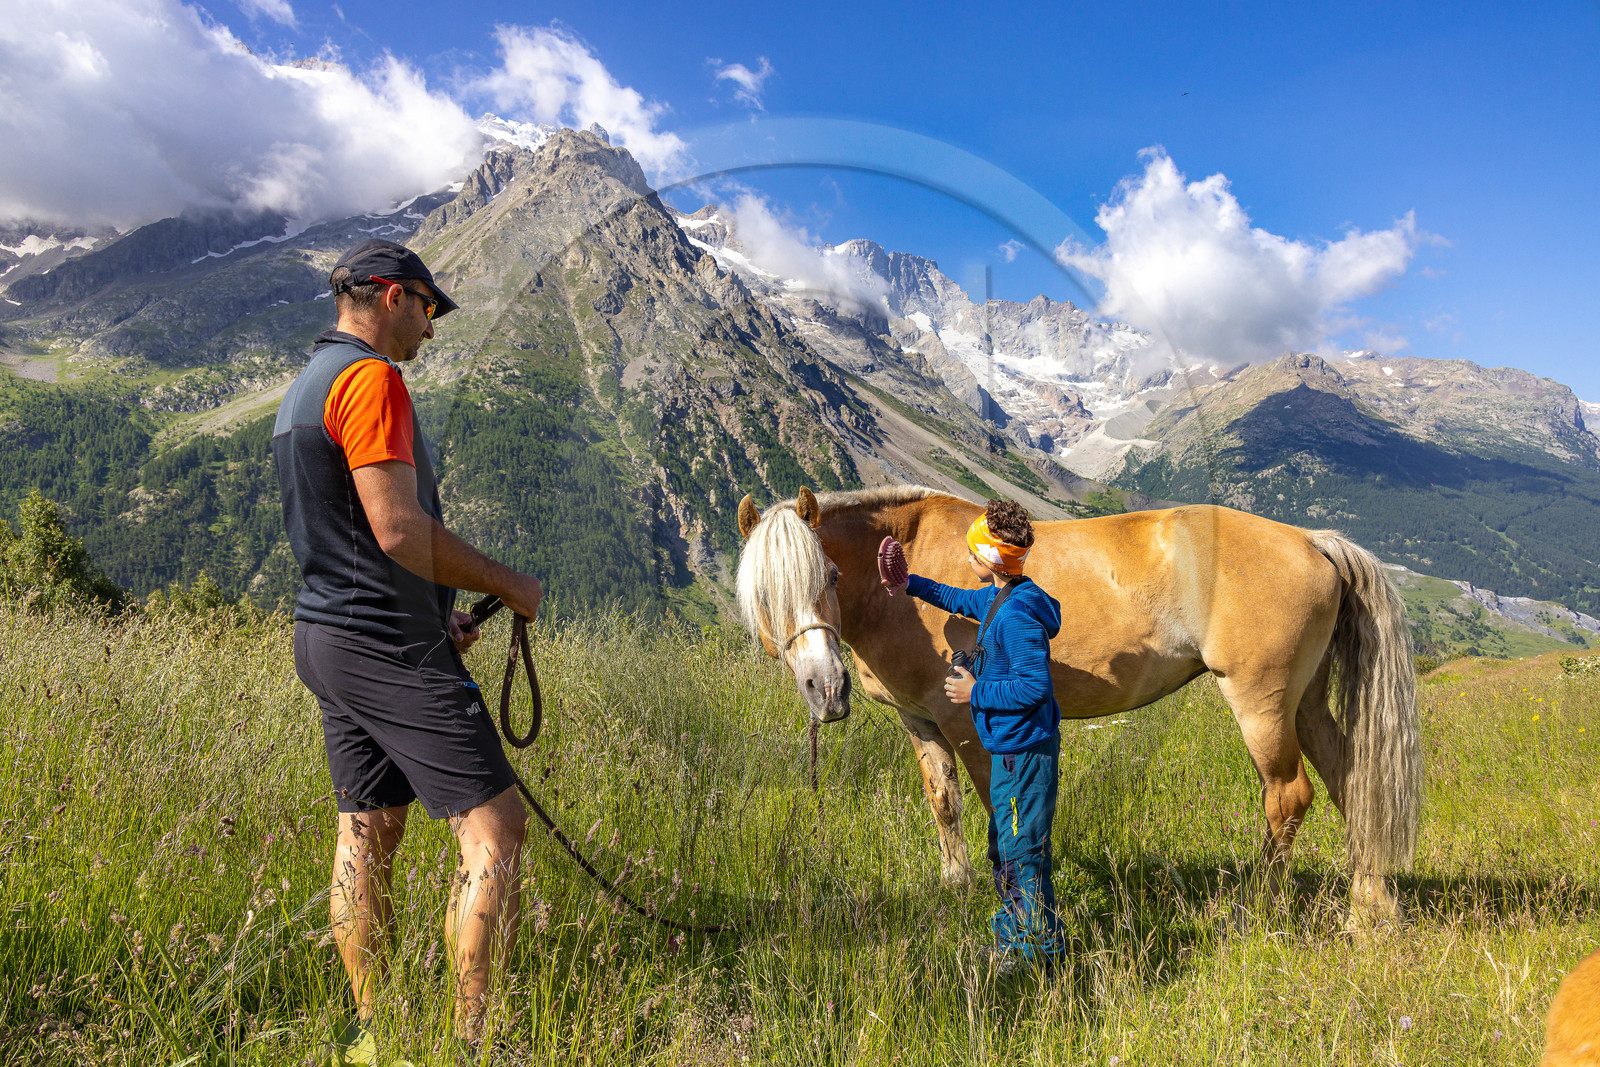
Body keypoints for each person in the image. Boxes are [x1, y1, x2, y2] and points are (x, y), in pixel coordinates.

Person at [272, 238, 544, 1061]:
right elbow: (395, 528)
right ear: (392, 295)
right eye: (428, 307)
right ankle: (474, 1043)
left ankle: (373, 1031)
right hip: (384, 646)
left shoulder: (304, 389)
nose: (432, 326)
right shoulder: (372, 379)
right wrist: (507, 583)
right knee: (495, 826)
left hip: (328, 635)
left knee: (367, 831)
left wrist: (438, 613)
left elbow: (347, 539)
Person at [890, 499, 1065, 971]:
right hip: (1010, 752)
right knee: (1005, 846)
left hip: (1024, 755)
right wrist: (910, 584)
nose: (967, 557)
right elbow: (957, 599)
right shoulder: (1000, 597)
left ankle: (1041, 957)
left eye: (973, 551)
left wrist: (976, 690)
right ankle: (1017, 938)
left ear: (991, 560)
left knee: (1022, 854)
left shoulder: (1016, 616)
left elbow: (1035, 686)